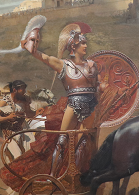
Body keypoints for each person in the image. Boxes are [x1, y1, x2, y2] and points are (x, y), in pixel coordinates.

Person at [21, 22, 101, 176]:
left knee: (83, 141)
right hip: (73, 104)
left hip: (91, 105)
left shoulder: (92, 65)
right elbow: (45, 57)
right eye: (83, 43)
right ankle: (53, 176)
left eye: (85, 43)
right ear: (73, 46)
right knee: (62, 140)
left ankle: (76, 174)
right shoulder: (63, 64)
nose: (86, 46)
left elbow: (98, 85)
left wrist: (107, 87)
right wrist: (30, 46)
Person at [0, 80, 37, 157]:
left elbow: (29, 114)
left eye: (24, 89)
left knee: (32, 151)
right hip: (9, 132)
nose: (24, 91)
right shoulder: (4, 102)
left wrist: (37, 112)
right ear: (14, 90)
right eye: (22, 89)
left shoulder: (25, 100)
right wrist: (8, 118)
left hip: (23, 129)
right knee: (18, 155)